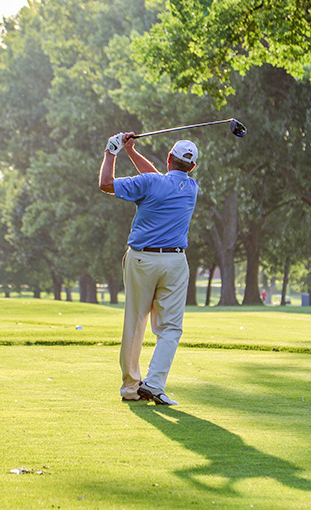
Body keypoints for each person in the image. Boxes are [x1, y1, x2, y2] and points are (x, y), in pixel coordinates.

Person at [99, 132, 200, 405]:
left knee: (135, 323)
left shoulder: (152, 182)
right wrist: (131, 152)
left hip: (142, 260)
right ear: (192, 168)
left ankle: (132, 389)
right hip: (176, 263)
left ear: (169, 158)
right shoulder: (191, 188)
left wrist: (113, 151)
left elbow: (106, 184)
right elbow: (160, 179)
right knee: (170, 328)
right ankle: (154, 383)